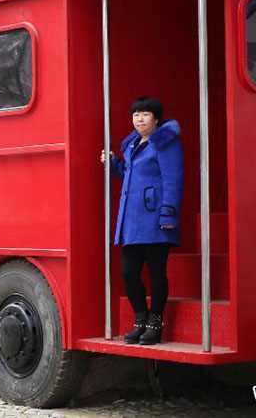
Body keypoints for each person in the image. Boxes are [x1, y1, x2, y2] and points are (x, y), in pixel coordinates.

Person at [101, 96, 183, 345]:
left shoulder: (166, 143)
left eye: (145, 114)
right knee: (128, 272)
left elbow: (173, 179)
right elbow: (129, 175)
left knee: (157, 273)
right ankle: (141, 319)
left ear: (156, 119)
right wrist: (114, 164)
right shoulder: (133, 144)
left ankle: (155, 323)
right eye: (136, 115)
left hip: (156, 219)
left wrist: (168, 214)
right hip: (132, 221)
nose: (139, 119)